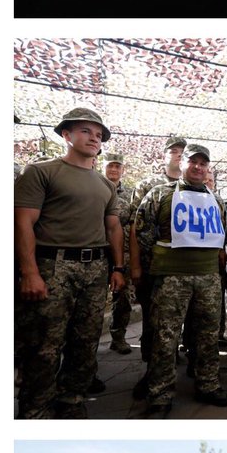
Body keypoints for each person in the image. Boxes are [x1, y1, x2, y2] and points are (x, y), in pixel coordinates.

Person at [14, 108, 125, 418]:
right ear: (66, 134)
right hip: (53, 266)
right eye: (86, 131)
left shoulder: (105, 184)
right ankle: (36, 411)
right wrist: (29, 272)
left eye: (99, 134)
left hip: (95, 269)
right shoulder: (41, 171)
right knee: (44, 345)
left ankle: (72, 401)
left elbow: (113, 228)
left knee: (86, 341)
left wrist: (118, 268)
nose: (94, 138)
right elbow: (22, 222)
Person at [131, 144, 227, 418]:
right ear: (182, 163)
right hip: (171, 278)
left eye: (203, 163)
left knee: (208, 335)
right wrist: (152, 265)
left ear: (208, 167)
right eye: (193, 162)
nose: (198, 167)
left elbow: (221, 235)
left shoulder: (217, 200)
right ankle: (160, 395)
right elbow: (142, 231)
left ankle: (208, 384)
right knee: (165, 337)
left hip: (208, 278)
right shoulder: (160, 194)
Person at [125, 134, 186, 392]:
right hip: (153, 268)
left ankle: (171, 362)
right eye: (174, 150)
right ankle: (151, 371)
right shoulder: (148, 185)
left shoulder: (194, 185)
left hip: (183, 269)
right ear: (164, 155)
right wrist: (135, 266)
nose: (179, 155)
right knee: (153, 322)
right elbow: (134, 227)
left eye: (183, 151)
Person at [101, 151, 133, 355]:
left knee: (123, 298)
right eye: (110, 165)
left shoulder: (130, 194)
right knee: (93, 300)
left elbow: (133, 224)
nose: (113, 169)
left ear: (123, 170)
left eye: (117, 166)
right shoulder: (95, 187)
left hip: (123, 253)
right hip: (97, 251)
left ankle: (118, 337)